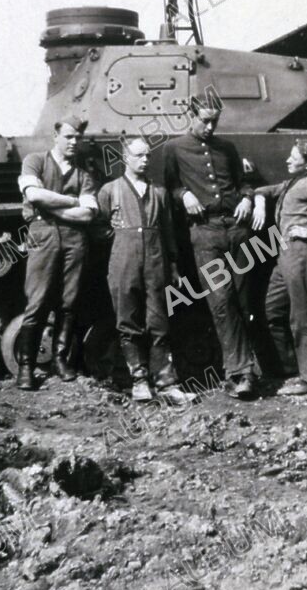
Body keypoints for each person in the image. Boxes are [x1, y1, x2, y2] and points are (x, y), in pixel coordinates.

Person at [163, 104, 260, 400]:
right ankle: (240, 374)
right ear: (191, 117)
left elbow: (243, 181)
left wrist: (247, 198)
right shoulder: (174, 148)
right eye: (205, 121)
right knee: (221, 300)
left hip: (237, 227)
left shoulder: (227, 148)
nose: (210, 127)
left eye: (214, 121)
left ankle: (249, 368)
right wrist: (184, 194)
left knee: (243, 300)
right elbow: (168, 188)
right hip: (205, 232)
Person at [96, 138, 189, 403]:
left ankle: (166, 382)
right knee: (128, 321)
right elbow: (99, 226)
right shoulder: (110, 190)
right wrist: (118, 241)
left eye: (148, 155)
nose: (145, 160)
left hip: (156, 262)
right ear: (126, 157)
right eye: (139, 155)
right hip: (123, 262)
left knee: (159, 322)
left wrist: (172, 264)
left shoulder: (158, 192)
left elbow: (169, 230)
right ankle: (138, 380)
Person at [16, 116, 98, 390]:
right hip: (44, 237)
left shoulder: (84, 174)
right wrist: (71, 201)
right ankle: (26, 365)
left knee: (69, 301)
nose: (74, 143)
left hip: (75, 240)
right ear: (56, 136)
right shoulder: (35, 160)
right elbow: (34, 195)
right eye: (68, 137)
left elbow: (87, 214)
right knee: (37, 302)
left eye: (78, 138)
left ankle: (60, 360)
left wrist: (51, 205)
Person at [254, 138, 307, 396]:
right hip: (286, 255)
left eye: (294, 157)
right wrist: (257, 198)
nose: (288, 160)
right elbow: (267, 190)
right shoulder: (293, 182)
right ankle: (290, 367)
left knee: (303, 316)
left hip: (303, 253)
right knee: (272, 310)